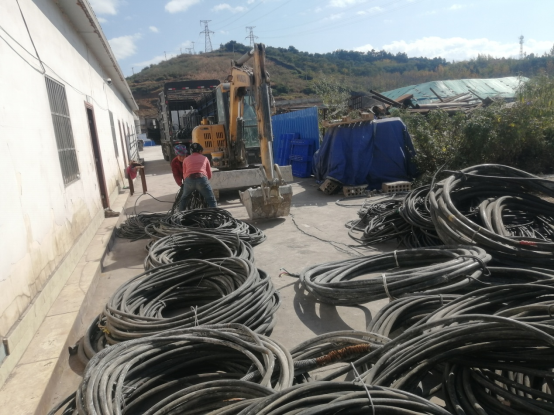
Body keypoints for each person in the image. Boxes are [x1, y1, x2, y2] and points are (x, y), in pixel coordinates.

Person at [179, 142, 217, 210]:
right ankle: (215, 215)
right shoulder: (205, 158)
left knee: (184, 199)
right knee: (211, 199)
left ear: (191, 151)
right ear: (200, 151)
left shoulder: (185, 159)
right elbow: (209, 175)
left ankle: (179, 214)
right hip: (202, 179)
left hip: (189, 180)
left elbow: (184, 175)